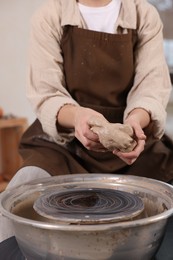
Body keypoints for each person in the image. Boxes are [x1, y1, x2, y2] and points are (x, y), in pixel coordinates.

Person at [0, 0, 173, 243]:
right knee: (17, 195)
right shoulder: (50, 16)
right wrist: (80, 117)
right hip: (64, 143)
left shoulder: (143, 15)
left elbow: (151, 86)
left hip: (135, 141)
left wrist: (135, 121)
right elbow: (46, 92)